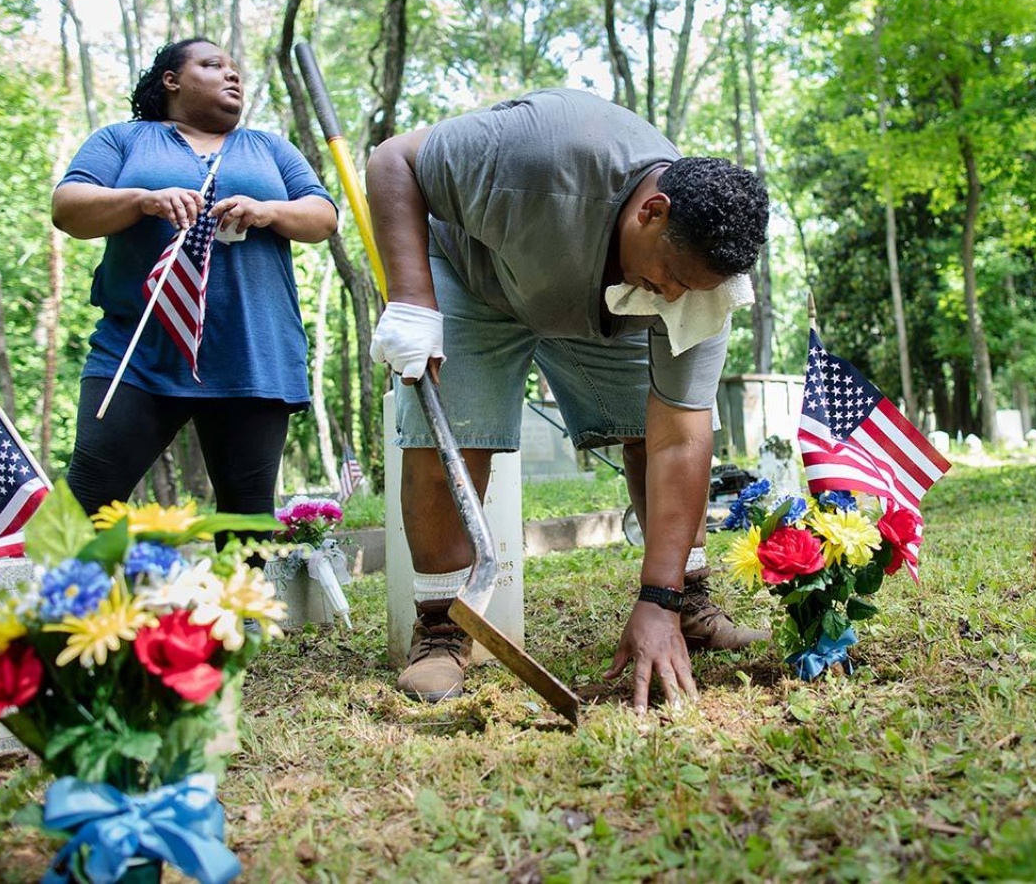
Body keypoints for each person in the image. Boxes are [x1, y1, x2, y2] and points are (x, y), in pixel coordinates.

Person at [366, 88, 770, 713]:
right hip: (479, 278)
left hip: (606, 307)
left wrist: (655, 598)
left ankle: (683, 602)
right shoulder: (534, 156)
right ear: (652, 212)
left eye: (692, 292)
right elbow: (395, 160)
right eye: (674, 280)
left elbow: (680, 437)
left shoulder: (697, 289)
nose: (676, 298)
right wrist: (412, 294)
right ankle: (443, 627)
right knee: (453, 429)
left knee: (648, 423)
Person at [52, 38, 339, 523]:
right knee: (86, 503)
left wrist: (266, 210)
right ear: (172, 80)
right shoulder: (123, 139)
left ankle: (239, 601)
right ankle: (78, 599)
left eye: (236, 70)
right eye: (213, 66)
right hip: (138, 354)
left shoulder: (269, 147)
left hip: (252, 356)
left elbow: (323, 216)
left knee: (246, 524)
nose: (233, 76)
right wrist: (143, 200)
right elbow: (68, 208)